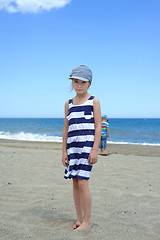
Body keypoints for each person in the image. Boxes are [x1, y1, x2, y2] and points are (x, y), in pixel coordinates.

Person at [62, 65, 101, 230]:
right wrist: (64, 151)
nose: (79, 86)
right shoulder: (68, 103)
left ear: (89, 83)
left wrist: (94, 150)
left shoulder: (94, 101)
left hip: (86, 147)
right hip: (73, 147)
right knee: (75, 183)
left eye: (82, 82)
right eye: (76, 82)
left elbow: (98, 126)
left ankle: (87, 221)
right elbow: (66, 128)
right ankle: (79, 219)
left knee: (83, 183)